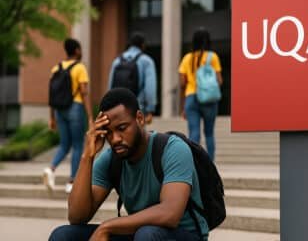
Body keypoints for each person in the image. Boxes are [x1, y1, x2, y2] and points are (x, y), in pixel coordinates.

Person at [48, 88, 207, 241]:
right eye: (108, 132)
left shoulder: (173, 149)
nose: (115, 138)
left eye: (122, 128)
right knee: (63, 236)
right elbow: (77, 216)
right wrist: (87, 156)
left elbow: (170, 214)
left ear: (139, 118)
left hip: (184, 235)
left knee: (147, 234)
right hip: (140, 233)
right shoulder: (111, 159)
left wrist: (107, 227)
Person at [43, 38, 94, 194]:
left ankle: (51, 169)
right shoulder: (79, 68)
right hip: (75, 108)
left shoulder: (55, 69)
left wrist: (52, 117)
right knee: (78, 145)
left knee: (64, 145)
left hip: (59, 110)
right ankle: (71, 182)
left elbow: (51, 96)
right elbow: (84, 93)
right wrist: (91, 116)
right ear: (77, 50)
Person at [178, 28, 222, 161]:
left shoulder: (187, 58)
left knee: (194, 133)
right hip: (209, 99)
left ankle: (194, 164)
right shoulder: (212, 57)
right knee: (209, 134)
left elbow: (182, 83)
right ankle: (210, 165)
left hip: (191, 97)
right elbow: (219, 80)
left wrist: (183, 106)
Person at [108, 32, 157, 124]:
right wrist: (150, 110)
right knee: (136, 136)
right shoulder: (146, 61)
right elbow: (150, 88)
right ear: (143, 45)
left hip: (118, 107)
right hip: (137, 107)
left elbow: (110, 85)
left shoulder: (117, 61)